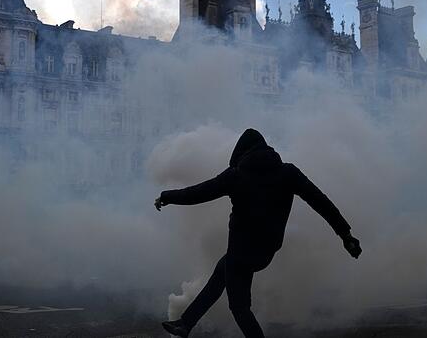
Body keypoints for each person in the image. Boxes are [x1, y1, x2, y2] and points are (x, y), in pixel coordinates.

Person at [155, 128, 361, 338]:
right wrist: (345, 234)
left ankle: (186, 324)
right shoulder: (288, 173)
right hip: (266, 251)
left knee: (239, 308)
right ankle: (185, 323)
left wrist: (167, 196)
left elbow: (198, 193)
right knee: (221, 272)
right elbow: (321, 202)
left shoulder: (236, 175)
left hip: (240, 253)